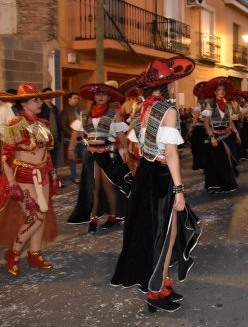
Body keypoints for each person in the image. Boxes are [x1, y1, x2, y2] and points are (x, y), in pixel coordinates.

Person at [111, 57, 201, 313]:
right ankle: (155, 291)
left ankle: (160, 280)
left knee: (160, 231)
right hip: (161, 174)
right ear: (168, 87)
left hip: (146, 173)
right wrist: (180, 189)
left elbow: (135, 143)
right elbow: (171, 154)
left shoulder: (141, 108)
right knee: (165, 233)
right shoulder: (168, 110)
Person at [0, 83, 63, 276]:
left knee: (42, 214)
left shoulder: (41, 124)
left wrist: (52, 175)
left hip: (42, 174)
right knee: (35, 217)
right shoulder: (15, 125)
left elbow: (46, 153)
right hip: (24, 176)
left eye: (39, 99)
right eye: (35, 100)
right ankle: (14, 252)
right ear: (24, 104)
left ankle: (34, 253)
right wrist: (11, 182)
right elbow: (5, 155)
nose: (40, 102)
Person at [66, 81, 131, 233]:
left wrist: (126, 149)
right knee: (93, 186)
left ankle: (114, 216)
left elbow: (120, 134)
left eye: (104, 94)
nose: (100, 97)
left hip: (107, 154)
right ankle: (93, 218)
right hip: (90, 154)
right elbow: (76, 132)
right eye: (98, 94)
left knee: (108, 186)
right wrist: (71, 149)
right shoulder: (84, 114)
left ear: (108, 97)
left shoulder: (113, 114)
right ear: (94, 97)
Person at [201, 76, 241, 193]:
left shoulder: (226, 104)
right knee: (218, 162)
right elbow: (206, 124)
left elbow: (230, 120)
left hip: (226, 135)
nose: (222, 92)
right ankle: (217, 185)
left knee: (227, 160)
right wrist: (212, 137)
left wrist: (236, 133)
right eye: (219, 90)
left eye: (223, 90)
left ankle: (226, 183)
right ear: (214, 92)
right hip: (215, 136)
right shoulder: (210, 105)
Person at [60, 92, 85, 184]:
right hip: (70, 138)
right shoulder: (65, 111)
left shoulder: (79, 110)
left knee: (85, 156)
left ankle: (85, 175)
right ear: (69, 99)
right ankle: (74, 176)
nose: (76, 100)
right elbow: (63, 126)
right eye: (75, 98)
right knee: (72, 158)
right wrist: (72, 136)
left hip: (81, 138)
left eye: (78, 98)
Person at [190, 81, 207, 170]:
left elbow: (196, 118)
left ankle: (200, 164)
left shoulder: (199, 104)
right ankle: (203, 164)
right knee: (203, 148)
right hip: (206, 128)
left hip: (200, 129)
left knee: (198, 148)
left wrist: (191, 128)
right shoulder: (209, 103)